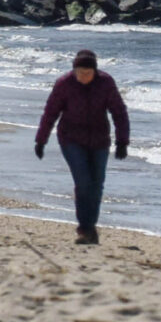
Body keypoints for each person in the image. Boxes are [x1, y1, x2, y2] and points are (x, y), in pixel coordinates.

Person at [34, 49, 130, 244]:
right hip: (71, 139)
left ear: (95, 71)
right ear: (74, 70)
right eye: (80, 73)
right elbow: (50, 112)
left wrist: (122, 141)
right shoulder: (64, 84)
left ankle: (90, 226)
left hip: (99, 139)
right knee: (83, 182)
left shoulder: (106, 83)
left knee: (96, 185)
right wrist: (41, 140)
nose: (83, 77)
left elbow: (119, 112)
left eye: (88, 73)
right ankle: (84, 229)